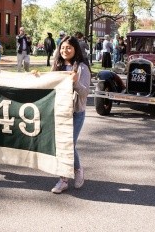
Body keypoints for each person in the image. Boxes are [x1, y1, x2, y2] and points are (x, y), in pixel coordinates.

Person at [50, 35, 91, 194]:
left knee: (68, 145)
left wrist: (75, 81)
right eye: (62, 48)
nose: (65, 51)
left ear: (75, 49)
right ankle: (64, 179)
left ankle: (76, 170)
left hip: (75, 113)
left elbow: (85, 92)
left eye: (68, 48)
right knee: (62, 145)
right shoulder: (58, 66)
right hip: (59, 112)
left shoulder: (81, 67)